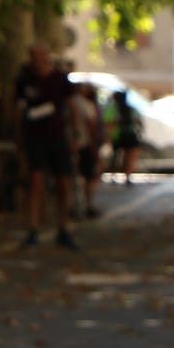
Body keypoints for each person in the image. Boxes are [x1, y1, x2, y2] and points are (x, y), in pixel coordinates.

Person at [12, 43, 78, 250]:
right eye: (34, 56)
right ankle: (33, 227)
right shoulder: (24, 81)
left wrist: (75, 133)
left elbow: (72, 105)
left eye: (41, 55)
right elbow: (16, 107)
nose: (38, 59)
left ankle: (63, 227)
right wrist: (17, 133)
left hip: (57, 137)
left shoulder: (59, 79)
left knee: (63, 182)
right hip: (35, 138)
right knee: (36, 181)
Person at [70, 82, 107, 219]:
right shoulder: (85, 105)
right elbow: (92, 126)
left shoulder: (68, 104)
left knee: (75, 177)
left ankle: (76, 206)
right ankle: (87, 205)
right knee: (88, 176)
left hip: (73, 144)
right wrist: (94, 145)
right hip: (84, 144)